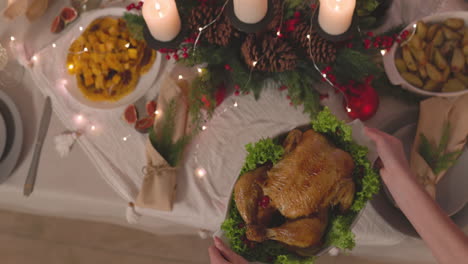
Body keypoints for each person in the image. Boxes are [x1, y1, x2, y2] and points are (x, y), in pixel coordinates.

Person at [209, 127, 468, 264]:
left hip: (321, 156)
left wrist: (270, 233)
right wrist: (404, 185)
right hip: (315, 153)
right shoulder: (271, 194)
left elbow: (316, 231)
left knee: (311, 231)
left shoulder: (290, 208)